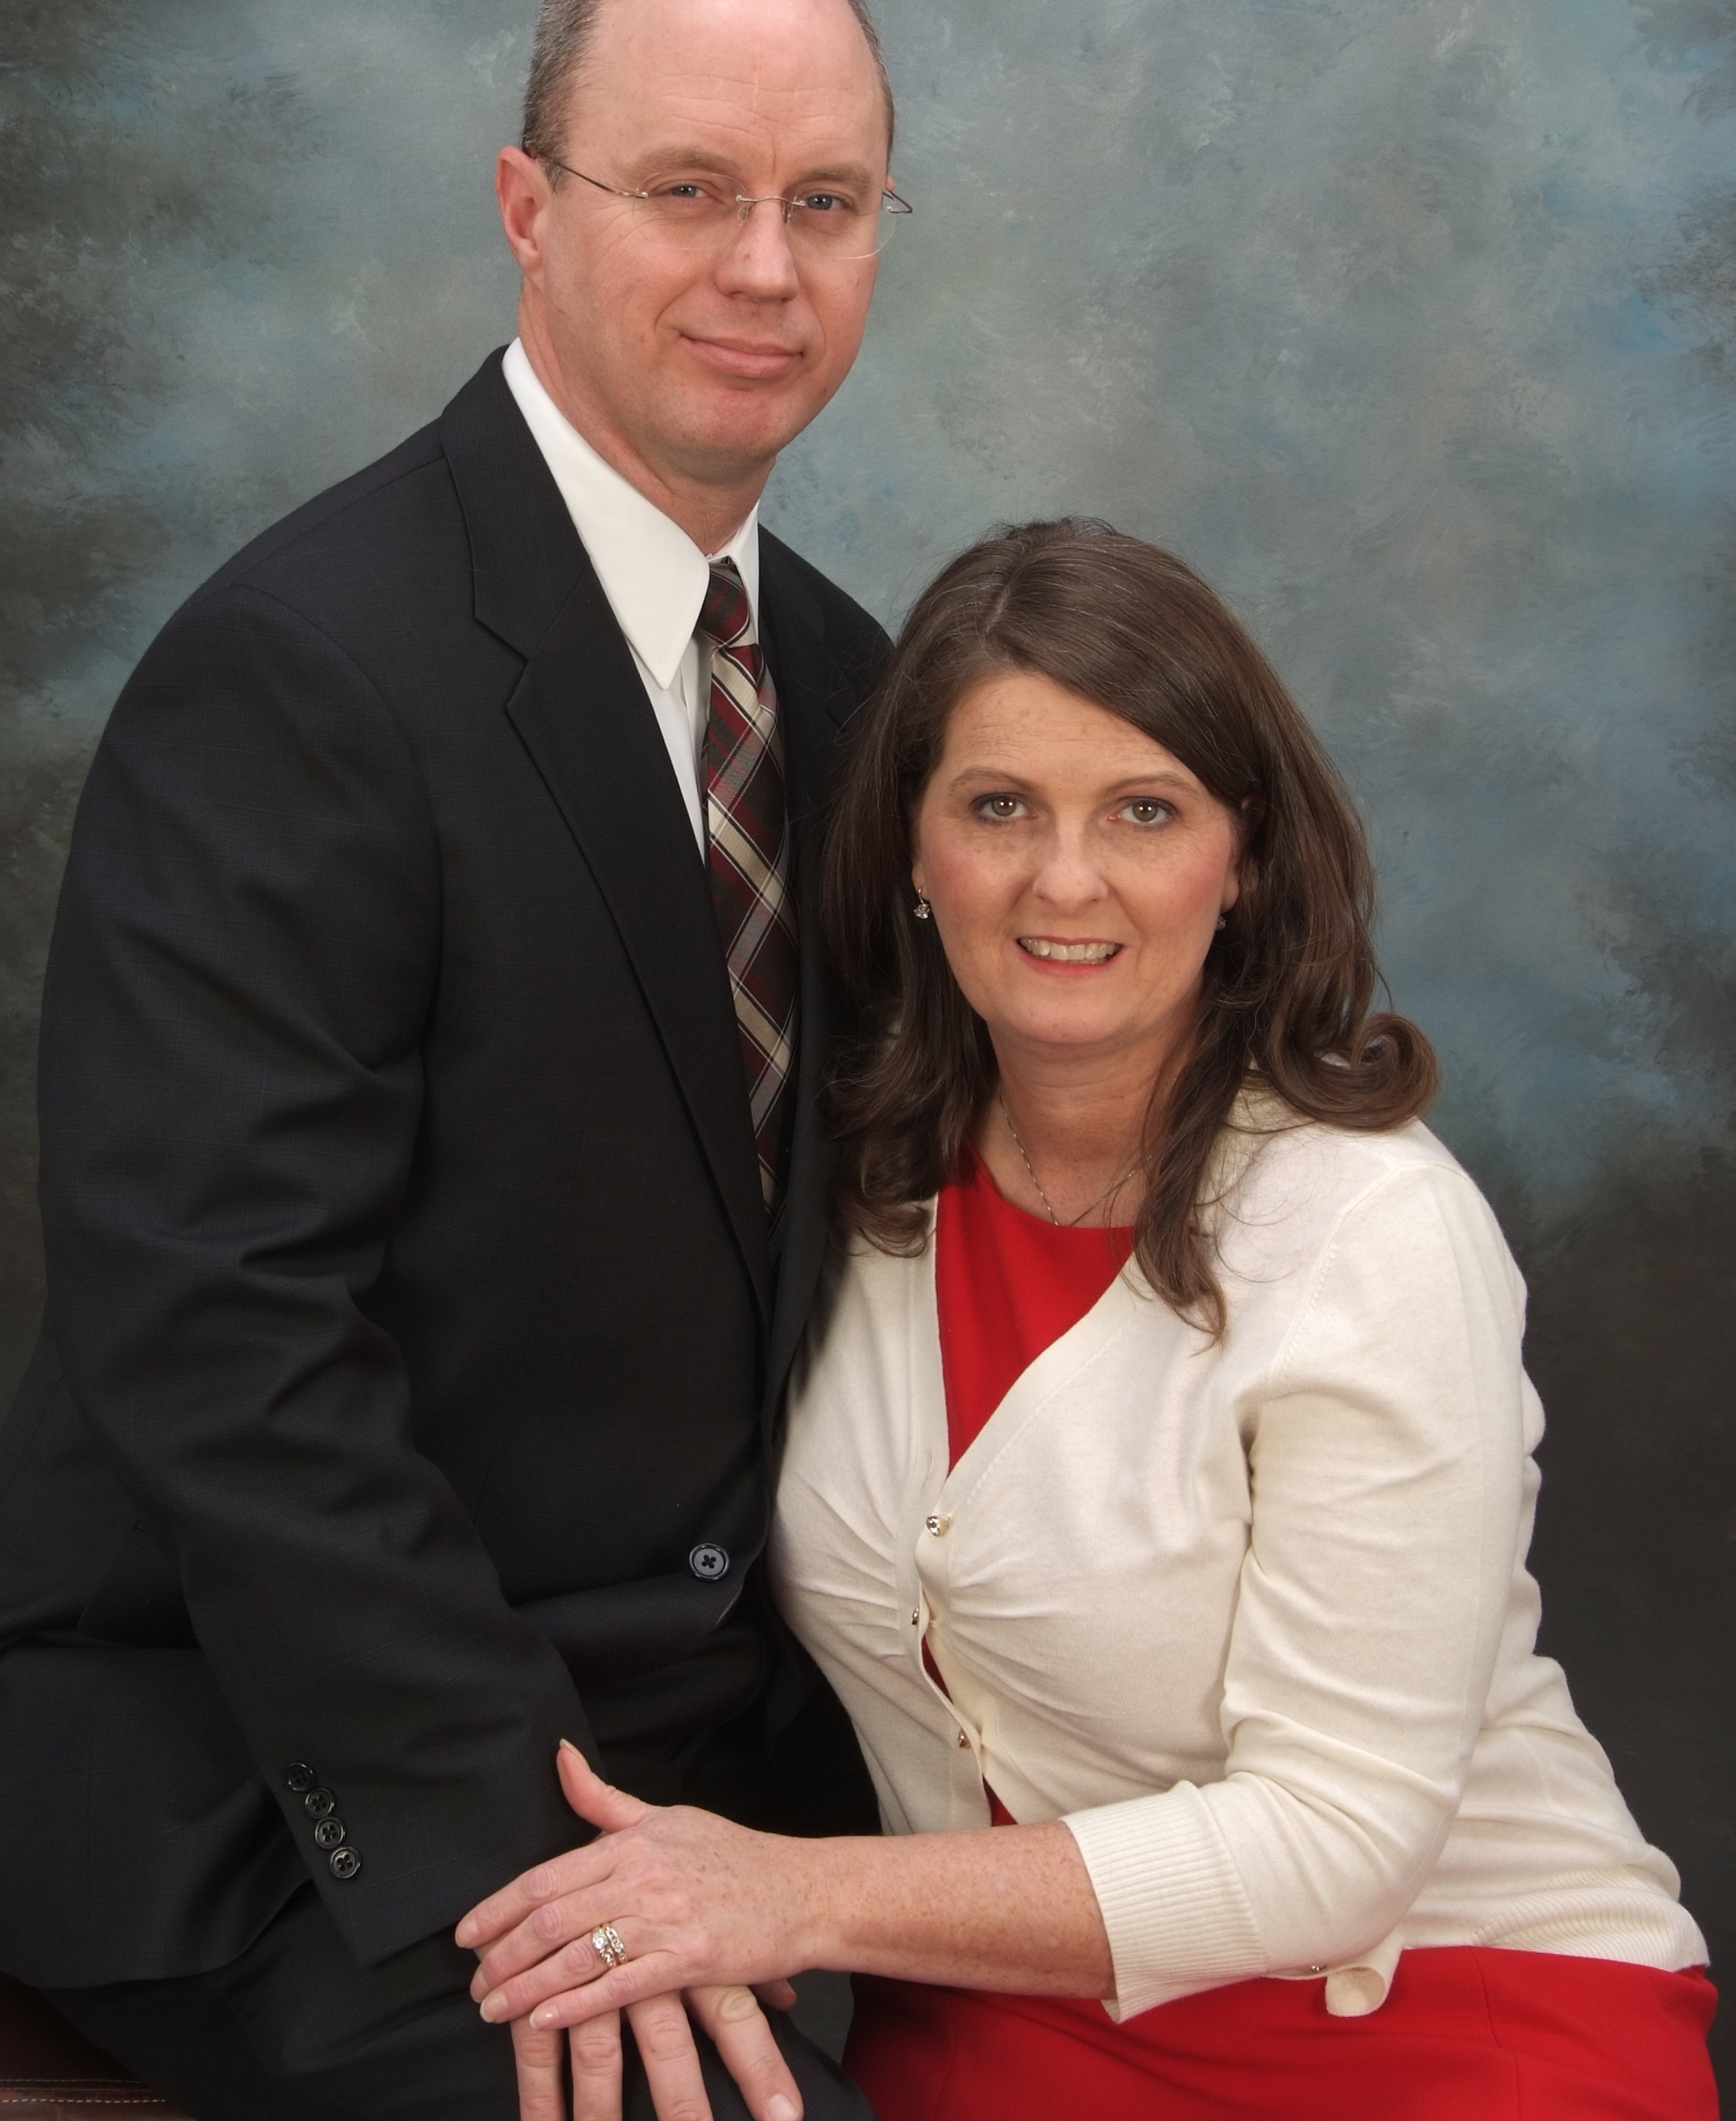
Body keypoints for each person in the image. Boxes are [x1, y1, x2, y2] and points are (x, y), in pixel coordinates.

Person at [0, 0, 909, 2121]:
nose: (766, 267)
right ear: (527, 207)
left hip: (714, 1779)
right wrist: (525, 1861)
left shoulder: (853, 689)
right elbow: (224, 1331)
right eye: (691, 187)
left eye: (827, 203)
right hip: (276, 1773)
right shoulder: (306, 667)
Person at [457, 520, 1718, 2120]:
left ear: (1242, 858)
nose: (1067, 879)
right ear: (912, 851)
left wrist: (788, 1892)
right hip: (994, 2035)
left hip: (1441, 2023)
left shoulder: (1375, 1234)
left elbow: (1340, 1842)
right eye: (999, 808)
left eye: (1145, 810)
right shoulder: (848, 1191)